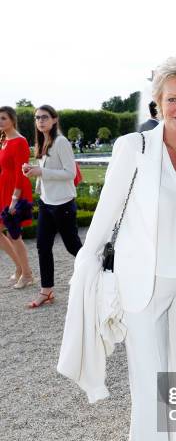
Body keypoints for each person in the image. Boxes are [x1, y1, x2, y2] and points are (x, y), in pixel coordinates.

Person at [58, 57, 176, 441]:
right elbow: (103, 220)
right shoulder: (134, 147)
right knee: (150, 392)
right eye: (172, 99)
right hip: (142, 286)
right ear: (157, 101)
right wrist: (83, 275)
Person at [23, 105, 82, 308]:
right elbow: (46, 170)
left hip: (63, 203)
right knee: (43, 247)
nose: (40, 121)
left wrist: (41, 172)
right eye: (37, 118)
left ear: (54, 119)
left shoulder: (61, 142)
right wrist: (31, 170)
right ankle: (46, 291)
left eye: (45, 117)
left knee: (73, 246)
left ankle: (101, 275)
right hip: (47, 203)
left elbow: (70, 173)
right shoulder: (43, 141)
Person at [0, 106, 34, 288]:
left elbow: (21, 173)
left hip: (16, 190)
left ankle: (27, 274)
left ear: (12, 120)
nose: (0, 122)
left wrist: (15, 197)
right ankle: (20, 268)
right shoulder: (4, 139)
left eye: (3, 118)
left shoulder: (20, 141)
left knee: (14, 234)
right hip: (3, 188)